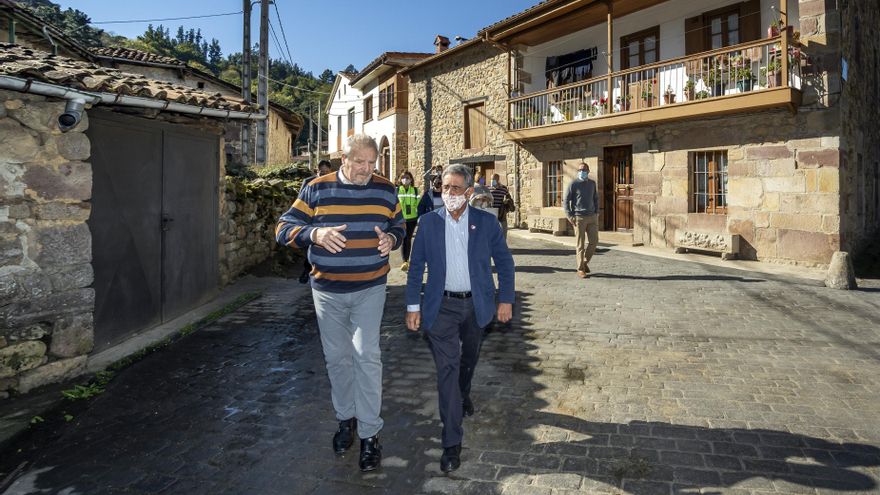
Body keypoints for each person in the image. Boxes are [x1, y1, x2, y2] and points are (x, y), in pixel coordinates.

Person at [275, 134, 405, 472]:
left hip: (370, 287)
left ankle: (370, 434)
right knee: (337, 359)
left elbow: (400, 225)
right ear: (342, 160)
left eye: (372, 163)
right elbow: (283, 227)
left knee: (367, 356)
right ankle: (345, 419)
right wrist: (313, 234)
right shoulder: (316, 188)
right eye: (359, 162)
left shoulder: (386, 189)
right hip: (327, 291)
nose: (366, 170)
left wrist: (391, 239)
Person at [405, 164, 515, 473]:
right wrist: (413, 305)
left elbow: (505, 264)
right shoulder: (427, 224)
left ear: (468, 192)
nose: (448, 193)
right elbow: (415, 269)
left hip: (476, 305)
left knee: (468, 359)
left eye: (455, 188)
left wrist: (505, 298)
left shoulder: (486, 223)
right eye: (444, 187)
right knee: (447, 371)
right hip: (440, 308)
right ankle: (451, 442)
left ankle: (463, 392)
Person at [297, 160, 333, 284]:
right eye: (321, 173)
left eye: (326, 173)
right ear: (316, 171)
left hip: (328, 220)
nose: (323, 175)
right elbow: (300, 201)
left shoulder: (334, 183)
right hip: (311, 220)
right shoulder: (308, 183)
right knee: (310, 246)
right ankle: (307, 270)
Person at [563, 163, 599, 279]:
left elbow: (595, 198)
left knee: (594, 242)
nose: (581, 171)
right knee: (580, 245)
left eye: (584, 170)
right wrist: (570, 215)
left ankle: (584, 262)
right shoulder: (573, 184)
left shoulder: (592, 184)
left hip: (592, 217)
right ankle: (580, 269)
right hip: (579, 218)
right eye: (579, 170)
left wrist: (597, 212)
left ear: (588, 171)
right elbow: (566, 200)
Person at [397, 170, 419, 272]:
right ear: (400, 179)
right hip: (401, 219)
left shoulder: (415, 190)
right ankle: (404, 261)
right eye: (403, 178)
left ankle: (407, 260)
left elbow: (418, 204)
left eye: (407, 178)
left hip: (412, 219)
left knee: (408, 239)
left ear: (411, 180)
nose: (405, 179)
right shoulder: (397, 190)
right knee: (403, 239)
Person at [489, 173, 515, 239]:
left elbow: (508, 197)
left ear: (498, 180)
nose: (492, 181)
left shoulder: (503, 188)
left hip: (501, 212)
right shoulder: (487, 188)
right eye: (491, 179)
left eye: (494, 179)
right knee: (490, 231)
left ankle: (503, 246)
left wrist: (507, 201)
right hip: (491, 212)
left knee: (503, 230)